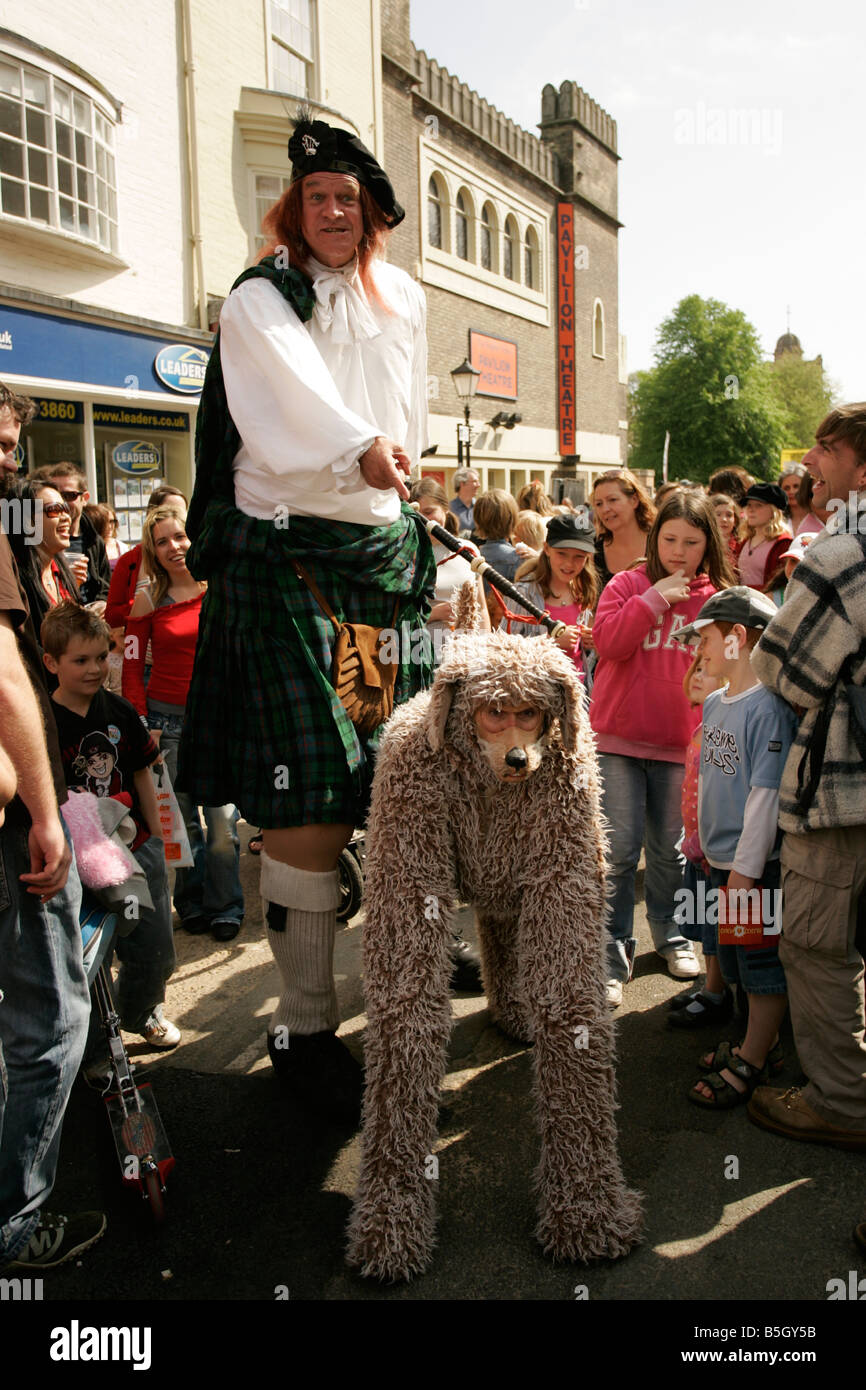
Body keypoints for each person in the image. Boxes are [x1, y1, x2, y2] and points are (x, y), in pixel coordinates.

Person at [176, 112, 436, 1123]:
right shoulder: (258, 295)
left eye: (350, 199)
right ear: (294, 210)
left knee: (393, 784)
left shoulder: (400, 296)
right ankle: (302, 1020)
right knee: (309, 802)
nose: (334, 211)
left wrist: (399, 474)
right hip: (285, 561)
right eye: (317, 197)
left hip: (380, 560)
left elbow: (399, 412)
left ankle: (404, 975)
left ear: (372, 216)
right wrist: (362, 446)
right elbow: (292, 405)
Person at [0, 382, 103, 1270]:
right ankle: (16, 1226)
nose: (9, 459)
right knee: (49, 1022)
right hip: (16, 830)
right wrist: (44, 811)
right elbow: (5, 676)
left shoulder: (32, 550)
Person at [749, 403, 866, 1150]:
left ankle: (843, 1104)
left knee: (818, 948)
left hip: (840, 792)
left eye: (825, 449)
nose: (809, 463)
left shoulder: (844, 554)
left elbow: (780, 671)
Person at [590, 491, 735, 1006]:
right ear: (655, 539)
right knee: (619, 852)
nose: (679, 551)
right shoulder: (627, 583)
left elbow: (729, 670)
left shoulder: (717, 598)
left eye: (691, 542)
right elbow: (606, 643)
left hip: (683, 744)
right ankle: (611, 952)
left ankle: (671, 937)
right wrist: (654, 599)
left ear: (707, 545)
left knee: (673, 853)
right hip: (619, 742)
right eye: (670, 539)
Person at [667, 589, 795, 1107]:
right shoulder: (718, 702)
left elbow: (764, 796)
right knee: (738, 962)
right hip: (721, 864)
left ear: (738, 639)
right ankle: (756, 1045)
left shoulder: (768, 709)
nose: (699, 651)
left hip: (751, 870)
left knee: (762, 969)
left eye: (706, 639)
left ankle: (755, 1060)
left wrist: (743, 870)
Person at [43, 602, 179, 1054]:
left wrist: (161, 839)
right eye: (80, 660)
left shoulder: (120, 711)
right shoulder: (43, 722)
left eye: (102, 657)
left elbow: (146, 771)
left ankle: (143, 1011)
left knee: (152, 945)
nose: (95, 668)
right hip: (78, 858)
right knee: (90, 953)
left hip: (135, 850)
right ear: (51, 662)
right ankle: (99, 1040)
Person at [124, 507, 244, 943]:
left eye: (180, 537)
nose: (174, 547)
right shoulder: (148, 598)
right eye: (162, 541)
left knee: (223, 828)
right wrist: (141, 722)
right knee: (181, 825)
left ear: (194, 538)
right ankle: (190, 904)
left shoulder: (220, 588)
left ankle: (226, 905)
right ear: (152, 551)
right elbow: (132, 666)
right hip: (164, 723)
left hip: (217, 721)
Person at [668, 652, 729, 1029]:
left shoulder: (724, 729)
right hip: (698, 849)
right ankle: (712, 988)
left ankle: (726, 996)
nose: (696, 675)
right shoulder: (702, 725)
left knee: (736, 934)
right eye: (696, 668)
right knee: (706, 924)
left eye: (706, 670)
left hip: (726, 853)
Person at [499, 512, 597, 682]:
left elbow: (582, 655)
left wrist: (591, 642)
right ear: (546, 549)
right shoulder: (524, 593)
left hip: (577, 694)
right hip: (536, 695)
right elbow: (502, 646)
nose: (569, 564)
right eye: (562, 554)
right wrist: (550, 641)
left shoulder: (583, 590)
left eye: (578, 557)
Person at [410, 480, 489, 647]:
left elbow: (481, 607)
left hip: (467, 653)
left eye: (429, 512)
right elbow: (396, 617)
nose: (424, 520)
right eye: (417, 515)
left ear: (445, 509)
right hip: (423, 653)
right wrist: (432, 614)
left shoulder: (468, 549)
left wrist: (485, 648)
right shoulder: (407, 554)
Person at [4, 477, 81, 640]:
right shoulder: (14, 580)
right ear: (26, 521)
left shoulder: (60, 573)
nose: (66, 517)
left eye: (66, 508)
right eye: (54, 509)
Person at [104, 486, 187, 629]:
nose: (172, 517)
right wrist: (145, 604)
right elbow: (112, 616)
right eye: (165, 511)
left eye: (181, 511)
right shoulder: (130, 560)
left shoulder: (199, 558)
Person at [32, 464, 110, 605]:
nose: (62, 503)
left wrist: (101, 603)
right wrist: (67, 582)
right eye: (57, 496)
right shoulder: (42, 544)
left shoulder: (93, 540)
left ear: (84, 498)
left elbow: (105, 586)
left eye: (69, 496)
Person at [590, 468, 656, 595]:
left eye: (612, 500)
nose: (605, 509)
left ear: (634, 500)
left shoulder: (660, 544)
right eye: (599, 504)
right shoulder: (593, 552)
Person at [736, 483, 791, 591]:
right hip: (740, 603)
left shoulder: (784, 544)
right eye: (749, 505)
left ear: (773, 511)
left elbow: (781, 585)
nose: (751, 510)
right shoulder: (745, 540)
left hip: (766, 604)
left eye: (758, 505)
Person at [83, 502, 127, 571]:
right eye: (106, 522)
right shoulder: (91, 547)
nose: (109, 526)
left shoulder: (122, 547)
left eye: (112, 521)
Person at [710, 493, 741, 573]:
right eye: (718, 514)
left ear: (735, 520)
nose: (724, 519)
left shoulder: (742, 545)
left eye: (729, 515)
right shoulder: (703, 544)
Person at [778, 463, 809, 534]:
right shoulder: (777, 522)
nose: (791, 491)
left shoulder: (821, 518)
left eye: (796, 486)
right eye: (786, 488)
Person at [448, 467, 480, 534]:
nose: (478, 485)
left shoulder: (481, 506)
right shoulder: (449, 509)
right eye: (474, 481)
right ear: (462, 484)